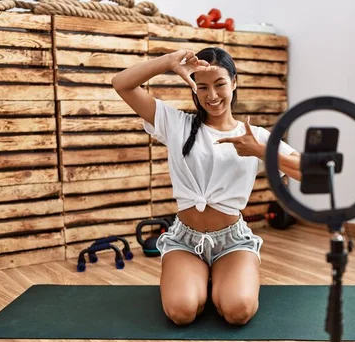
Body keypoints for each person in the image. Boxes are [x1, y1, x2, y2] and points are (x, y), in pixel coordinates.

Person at [111, 47, 302, 326]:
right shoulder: (177, 124)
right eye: (202, 87)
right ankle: (198, 280)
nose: (212, 96)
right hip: (185, 241)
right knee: (181, 312)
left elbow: (312, 173)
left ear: (234, 82)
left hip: (232, 242)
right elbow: (121, 84)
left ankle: (221, 280)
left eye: (220, 84)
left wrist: (261, 151)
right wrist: (168, 61)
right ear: (194, 89)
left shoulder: (255, 137)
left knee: (238, 312)